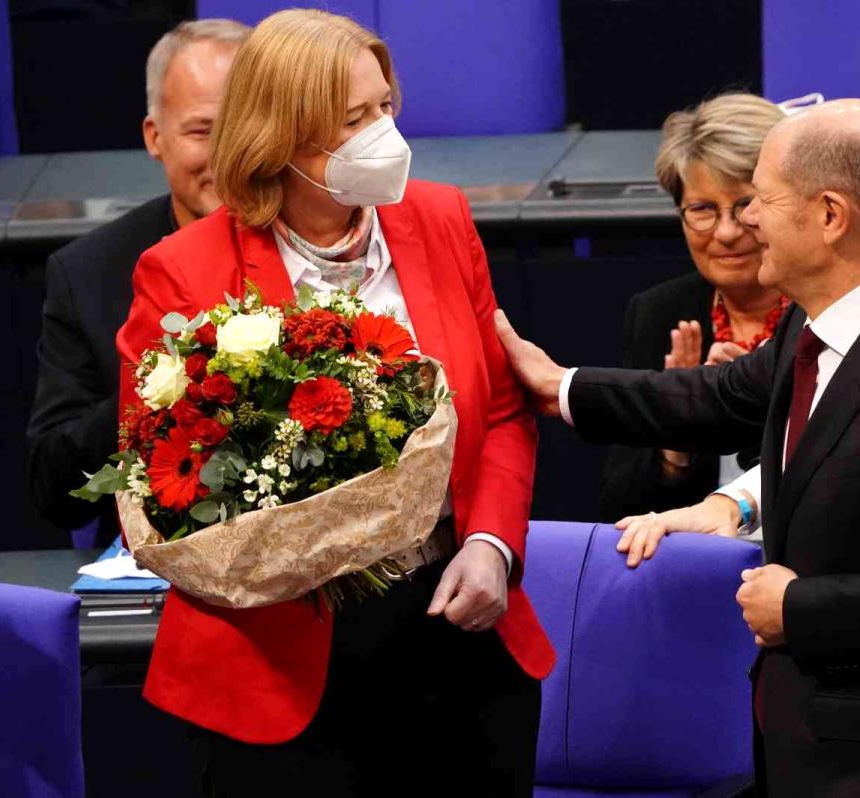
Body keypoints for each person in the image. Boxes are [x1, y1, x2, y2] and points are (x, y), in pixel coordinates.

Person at [496, 99, 860, 796]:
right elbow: (713, 398)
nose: (746, 222)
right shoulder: (814, 330)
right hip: (817, 747)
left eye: (761, 200)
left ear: (831, 216)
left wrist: (801, 606)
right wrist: (560, 387)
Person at [115, 10, 553, 796]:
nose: (383, 134)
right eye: (353, 120)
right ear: (279, 139)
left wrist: (493, 544)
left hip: (458, 631)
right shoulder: (182, 271)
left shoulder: (442, 218)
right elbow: (162, 483)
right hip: (280, 671)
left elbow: (501, 413)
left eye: (385, 106)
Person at [26, 19, 249, 545]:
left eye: (248, 126)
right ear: (155, 137)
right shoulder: (88, 274)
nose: (229, 153)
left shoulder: (326, 243)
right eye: (203, 130)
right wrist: (151, 385)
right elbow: (52, 490)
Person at [598, 93, 788, 524]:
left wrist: (761, 404)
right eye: (702, 209)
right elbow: (616, 507)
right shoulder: (660, 314)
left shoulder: (825, 312)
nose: (725, 232)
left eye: (746, 206)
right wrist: (675, 443)